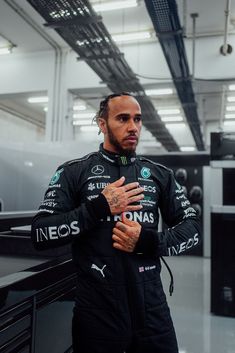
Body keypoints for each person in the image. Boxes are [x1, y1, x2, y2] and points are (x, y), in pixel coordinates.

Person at [31, 92, 200, 353]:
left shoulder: (159, 175)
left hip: (152, 310)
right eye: (123, 118)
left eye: (137, 119)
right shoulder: (74, 171)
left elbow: (193, 228)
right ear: (102, 123)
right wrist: (99, 207)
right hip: (97, 312)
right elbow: (40, 233)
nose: (133, 127)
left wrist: (149, 241)